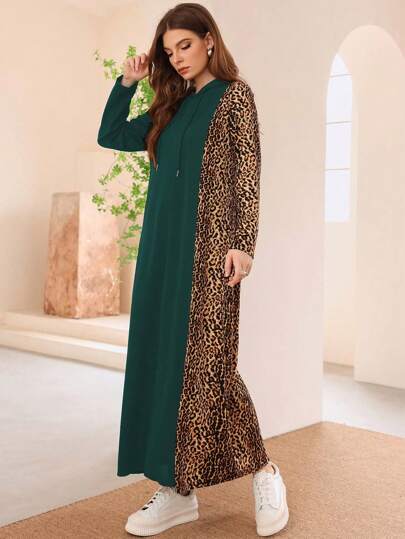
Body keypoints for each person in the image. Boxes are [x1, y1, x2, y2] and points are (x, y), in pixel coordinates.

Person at [97, 2, 289, 536]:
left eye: (185, 45)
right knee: (164, 362)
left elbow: (247, 172)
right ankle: (176, 490)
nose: (178, 57)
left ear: (208, 40)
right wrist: (128, 82)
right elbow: (111, 135)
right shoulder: (171, 105)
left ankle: (264, 472)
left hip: (209, 250)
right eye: (169, 51)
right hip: (161, 250)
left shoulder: (234, 97)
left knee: (211, 368)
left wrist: (242, 243)